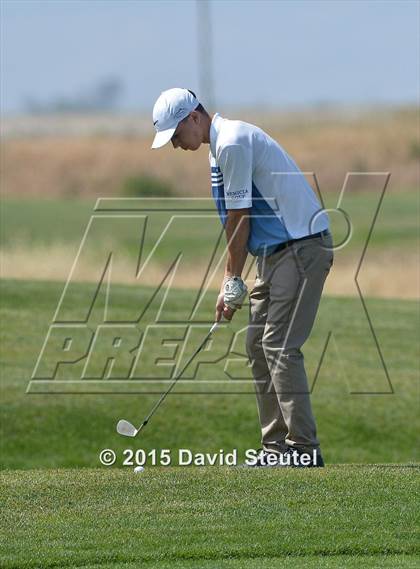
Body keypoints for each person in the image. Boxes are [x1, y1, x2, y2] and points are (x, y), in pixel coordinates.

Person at [151, 88, 333, 467]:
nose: (175, 146)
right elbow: (235, 222)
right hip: (275, 254)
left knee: (280, 346)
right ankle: (276, 448)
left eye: (175, 136)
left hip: (300, 248)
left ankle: (303, 449)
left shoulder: (231, 142)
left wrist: (231, 279)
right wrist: (230, 281)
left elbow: (239, 218)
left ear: (193, 118)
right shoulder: (219, 147)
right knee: (256, 345)